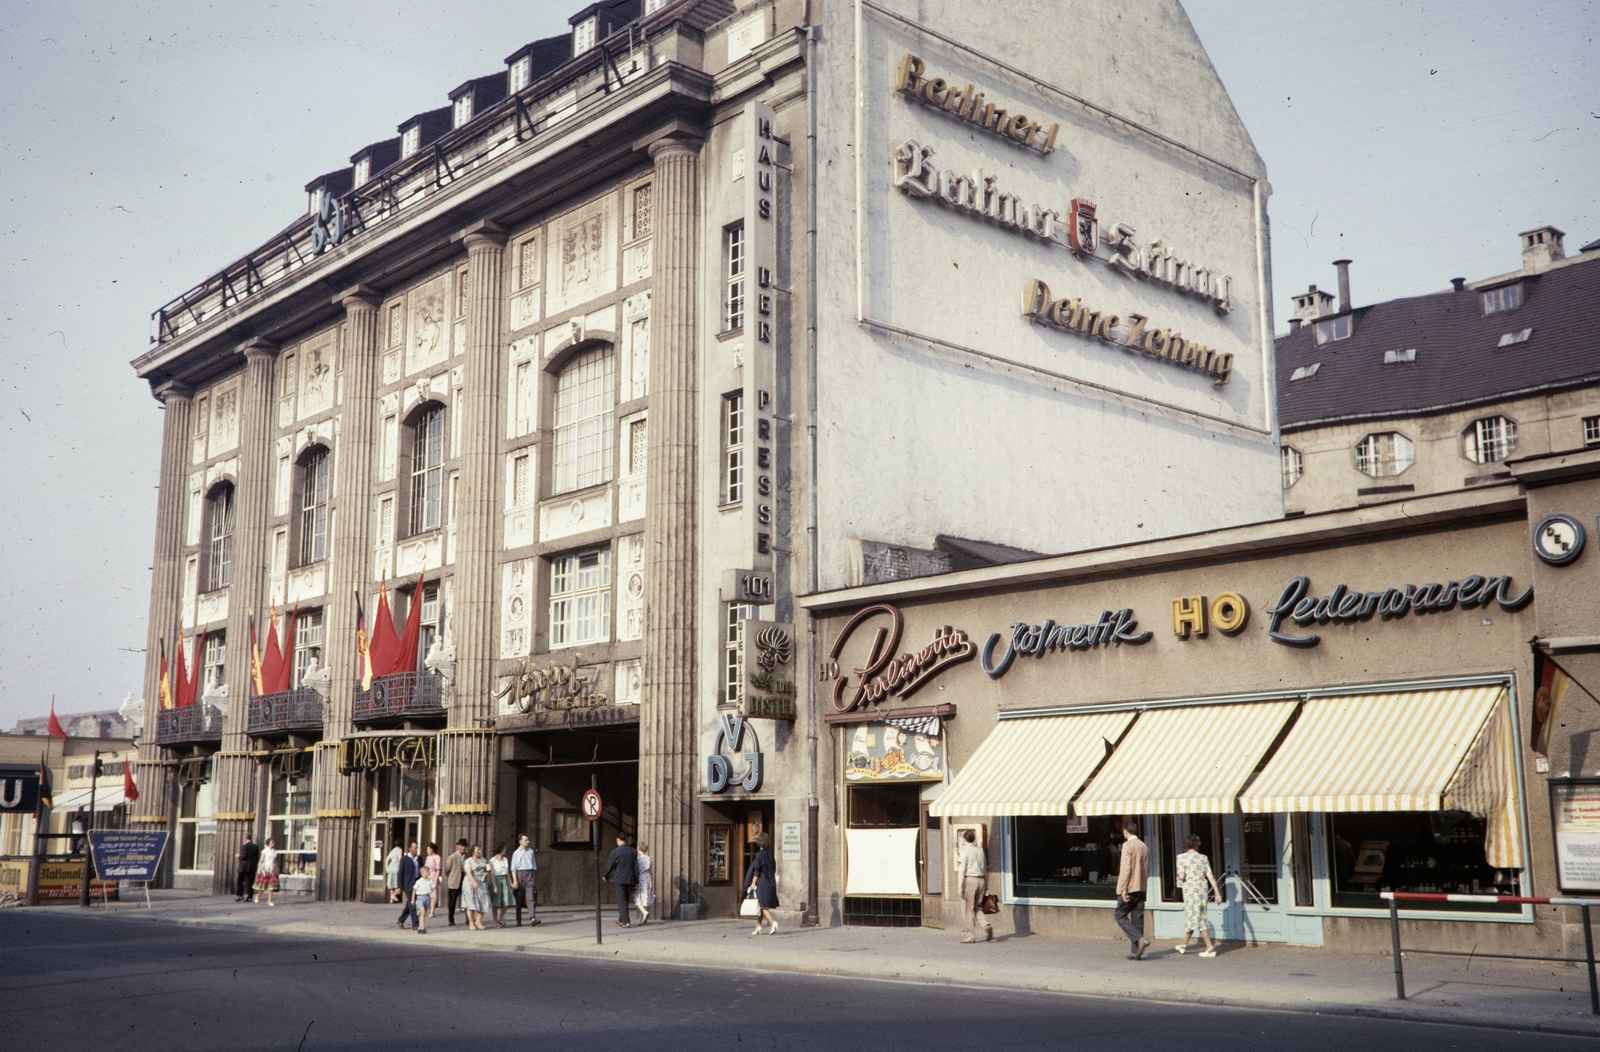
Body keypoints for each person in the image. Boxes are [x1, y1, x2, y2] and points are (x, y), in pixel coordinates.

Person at [1174, 833, 1223, 957]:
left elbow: (1182, 876)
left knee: (1194, 917)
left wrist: (1179, 877)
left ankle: (1208, 946)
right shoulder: (1203, 858)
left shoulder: (1181, 858)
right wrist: (1217, 892)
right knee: (1198, 916)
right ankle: (1184, 944)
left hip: (1190, 891)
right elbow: (1210, 876)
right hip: (1202, 891)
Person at [1115, 820, 1150, 959]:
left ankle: (1139, 939)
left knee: (1119, 915)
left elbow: (1126, 868)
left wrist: (1123, 889)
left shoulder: (1127, 845)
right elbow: (1146, 868)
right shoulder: (1144, 846)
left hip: (1130, 887)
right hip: (1141, 887)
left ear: (1126, 831)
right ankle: (1136, 952)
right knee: (1137, 918)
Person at [955, 828, 992, 944]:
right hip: (981, 880)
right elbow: (985, 869)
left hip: (970, 880)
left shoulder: (964, 851)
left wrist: (959, 887)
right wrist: (986, 885)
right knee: (977, 907)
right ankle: (985, 925)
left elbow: (962, 870)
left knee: (967, 909)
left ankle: (970, 936)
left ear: (964, 839)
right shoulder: (980, 852)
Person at [744, 831, 779, 935]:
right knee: (761, 904)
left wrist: (753, 882)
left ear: (758, 843)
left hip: (762, 882)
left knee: (762, 906)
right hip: (770, 881)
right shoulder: (770, 854)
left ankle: (773, 922)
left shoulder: (759, 855)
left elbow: (756, 870)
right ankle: (758, 926)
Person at [603, 834, 638, 928]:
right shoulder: (633, 851)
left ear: (618, 840)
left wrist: (605, 875)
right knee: (625, 900)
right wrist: (636, 881)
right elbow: (636, 867)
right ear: (625, 840)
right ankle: (621, 918)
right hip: (630, 878)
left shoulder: (615, 852)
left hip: (620, 878)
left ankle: (625, 921)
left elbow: (610, 864)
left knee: (621, 900)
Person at [511, 834, 538, 926]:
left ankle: (532, 918)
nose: (528, 841)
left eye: (528, 839)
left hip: (529, 873)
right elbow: (513, 868)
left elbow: (533, 865)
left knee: (531, 896)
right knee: (519, 898)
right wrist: (515, 880)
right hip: (520, 874)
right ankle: (518, 920)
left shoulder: (530, 852)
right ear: (520, 841)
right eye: (526, 840)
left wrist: (533, 876)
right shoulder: (516, 853)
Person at [462, 843, 491, 930]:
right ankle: (471, 922)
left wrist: (486, 873)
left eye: (480, 849)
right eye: (477, 850)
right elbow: (468, 872)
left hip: (481, 882)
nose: (479, 851)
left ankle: (478, 921)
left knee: (484, 900)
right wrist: (473, 882)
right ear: (473, 851)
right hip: (470, 883)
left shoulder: (483, 859)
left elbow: (487, 868)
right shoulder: (468, 861)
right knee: (471, 902)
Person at [488, 842, 514, 928]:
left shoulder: (506, 859)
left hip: (505, 880)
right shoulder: (492, 860)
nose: (506, 850)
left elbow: (507, 873)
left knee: (506, 901)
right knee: (495, 903)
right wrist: (494, 885)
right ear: (501, 849)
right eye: (504, 848)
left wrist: (511, 883)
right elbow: (491, 874)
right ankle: (495, 921)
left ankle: (501, 919)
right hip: (496, 880)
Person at [396, 841, 421, 930]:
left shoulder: (419, 858)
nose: (416, 850)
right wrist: (399, 886)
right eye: (415, 848)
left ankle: (400, 920)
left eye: (417, 848)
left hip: (418, 883)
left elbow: (421, 870)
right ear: (410, 848)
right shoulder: (404, 859)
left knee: (409, 904)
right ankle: (415, 924)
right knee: (412, 904)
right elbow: (400, 873)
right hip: (408, 884)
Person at [444, 839, 467, 925]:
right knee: (452, 901)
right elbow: (447, 869)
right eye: (462, 846)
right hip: (454, 881)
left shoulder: (467, 856)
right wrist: (451, 877)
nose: (463, 848)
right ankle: (451, 919)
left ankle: (468, 919)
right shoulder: (452, 857)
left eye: (465, 846)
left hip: (464, 880)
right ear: (458, 846)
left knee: (467, 900)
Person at [632, 841, 654, 926]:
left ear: (639, 848)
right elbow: (651, 871)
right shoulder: (649, 858)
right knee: (645, 896)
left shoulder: (637, 859)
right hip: (647, 877)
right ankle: (640, 920)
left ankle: (644, 912)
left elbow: (636, 870)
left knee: (637, 897)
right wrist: (651, 881)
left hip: (640, 877)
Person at [254, 837, 280, 906]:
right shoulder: (265, 851)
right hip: (265, 868)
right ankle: (258, 896)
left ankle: (269, 901)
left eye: (273, 842)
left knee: (271, 885)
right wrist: (259, 868)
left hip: (272, 869)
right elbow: (261, 860)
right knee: (264, 885)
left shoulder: (274, 851)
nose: (273, 843)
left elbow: (275, 861)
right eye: (272, 842)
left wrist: (277, 868)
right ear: (268, 843)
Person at [236, 834, 261, 902]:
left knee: (240, 880)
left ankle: (240, 895)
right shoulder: (256, 846)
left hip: (244, 867)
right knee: (251, 882)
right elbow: (257, 858)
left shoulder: (244, 846)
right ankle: (250, 897)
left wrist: (239, 856)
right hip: (252, 867)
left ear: (245, 838)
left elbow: (243, 856)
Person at [412, 864, 434, 934]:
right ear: (421, 873)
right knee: (423, 912)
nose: (427, 873)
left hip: (427, 897)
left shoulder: (430, 881)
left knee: (423, 914)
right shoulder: (419, 881)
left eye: (428, 872)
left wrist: (433, 895)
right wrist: (413, 899)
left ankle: (420, 926)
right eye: (426, 872)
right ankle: (422, 927)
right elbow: (414, 890)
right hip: (420, 897)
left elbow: (433, 888)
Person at [423, 843, 443, 919]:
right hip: (427, 876)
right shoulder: (428, 857)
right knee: (425, 893)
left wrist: (435, 879)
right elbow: (425, 867)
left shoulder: (437, 857)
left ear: (432, 849)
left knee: (433, 895)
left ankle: (432, 911)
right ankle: (423, 909)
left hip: (433, 876)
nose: (427, 850)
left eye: (429, 849)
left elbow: (438, 869)